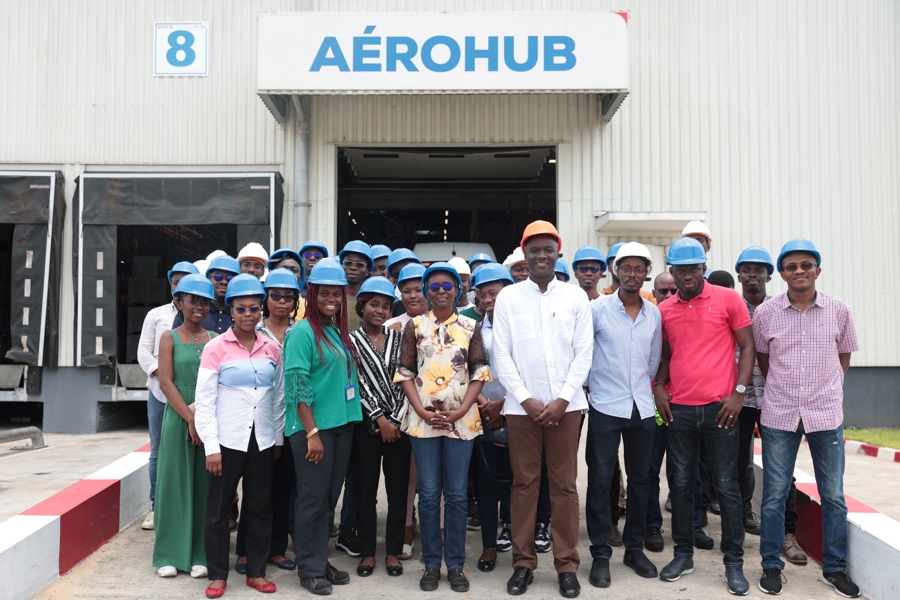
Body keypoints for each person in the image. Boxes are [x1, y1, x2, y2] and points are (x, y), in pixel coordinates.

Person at [753, 239, 860, 598]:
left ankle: (835, 568)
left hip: (825, 413)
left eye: (805, 265)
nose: (798, 271)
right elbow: (765, 362)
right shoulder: (766, 314)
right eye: (791, 266)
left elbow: (843, 357)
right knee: (774, 495)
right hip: (779, 412)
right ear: (781, 274)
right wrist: (788, 391)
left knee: (832, 495)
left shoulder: (839, 311)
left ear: (817, 269)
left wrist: (825, 390)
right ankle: (771, 565)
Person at [492, 221, 592, 599]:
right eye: (534, 249)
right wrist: (526, 398)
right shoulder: (508, 298)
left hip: (567, 408)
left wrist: (563, 398)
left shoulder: (575, 298)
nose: (541, 255)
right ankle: (523, 562)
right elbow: (501, 353)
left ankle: (566, 565)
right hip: (522, 410)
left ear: (558, 253)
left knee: (565, 486)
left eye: (548, 249)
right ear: (524, 253)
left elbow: (584, 353)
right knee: (524, 485)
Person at [653, 237, 754, 596]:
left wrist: (738, 395)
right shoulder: (665, 310)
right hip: (679, 411)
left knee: (727, 486)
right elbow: (665, 357)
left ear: (703, 268)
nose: (686, 276)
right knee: (680, 485)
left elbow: (747, 347)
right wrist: (660, 386)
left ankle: (733, 562)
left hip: (721, 411)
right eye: (679, 270)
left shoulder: (728, 300)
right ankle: (683, 554)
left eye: (692, 269)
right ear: (673, 272)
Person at [394, 262, 491, 593]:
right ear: (425, 291)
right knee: (430, 493)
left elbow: (479, 372)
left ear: (458, 290)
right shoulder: (415, 327)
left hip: (461, 421)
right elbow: (405, 371)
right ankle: (431, 564)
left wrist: (463, 409)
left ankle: (457, 565)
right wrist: (420, 409)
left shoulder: (469, 325)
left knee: (457, 494)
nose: (440, 291)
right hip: (423, 421)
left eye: (447, 286)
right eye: (433, 287)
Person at [195, 274, 285, 598]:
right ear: (230, 311)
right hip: (226, 441)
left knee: (260, 507)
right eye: (241, 308)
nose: (248, 314)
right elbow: (204, 402)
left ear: (261, 310)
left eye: (253, 308)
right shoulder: (215, 349)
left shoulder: (273, 348)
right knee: (218, 510)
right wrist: (211, 448)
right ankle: (218, 574)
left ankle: (257, 572)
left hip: (262, 441)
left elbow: (278, 398)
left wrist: (277, 439)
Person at [282, 258, 361, 596]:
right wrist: (312, 432)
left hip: (341, 425)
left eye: (337, 293)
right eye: (324, 293)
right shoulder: (302, 331)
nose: (332, 298)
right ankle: (309, 568)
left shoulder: (334, 331)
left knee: (329, 498)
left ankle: (319, 559)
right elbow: (297, 384)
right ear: (311, 295)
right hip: (314, 429)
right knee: (312, 498)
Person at [585, 243, 662, 588]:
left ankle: (634, 548)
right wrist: (590, 390)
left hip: (641, 407)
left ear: (646, 272)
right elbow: (583, 355)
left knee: (642, 479)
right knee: (601, 480)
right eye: (626, 268)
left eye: (639, 269)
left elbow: (653, 360)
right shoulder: (597, 309)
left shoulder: (653, 313)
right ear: (615, 271)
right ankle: (601, 553)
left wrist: (642, 391)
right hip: (604, 404)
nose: (633, 275)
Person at [733, 248, 806, 563]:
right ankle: (739, 520)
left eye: (759, 270)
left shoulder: (782, 309)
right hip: (738, 400)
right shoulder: (730, 307)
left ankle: (788, 535)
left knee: (782, 471)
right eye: (746, 270)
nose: (752, 275)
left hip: (778, 401)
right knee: (734, 465)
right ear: (739, 274)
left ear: (769, 275)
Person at [234, 268, 300, 575]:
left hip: (294, 421)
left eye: (288, 296)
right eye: (275, 296)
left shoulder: (302, 332)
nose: (282, 302)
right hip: (257, 421)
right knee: (256, 489)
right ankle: (246, 551)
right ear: (266, 298)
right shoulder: (252, 330)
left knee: (284, 488)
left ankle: (275, 549)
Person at [152, 274, 217, 579]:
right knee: (174, 485)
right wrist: (192, 419)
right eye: (193, 300)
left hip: (207, 418)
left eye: (204, 301)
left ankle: (199, 554)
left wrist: (203, 419)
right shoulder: (169, 336)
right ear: (179, 302)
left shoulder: (215, 338)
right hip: (179, 418)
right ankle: (169, 554)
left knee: (205, 487)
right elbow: (165, 381)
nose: (199, 307)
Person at [349, 277, 411, 578]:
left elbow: (407, 378)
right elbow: (356, 384)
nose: (380, 310)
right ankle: (368, 552)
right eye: (374, 304)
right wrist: (380, 419)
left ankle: (392, 552)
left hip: (399, 426)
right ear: (361, 306)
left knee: (398, 492)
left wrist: (395, 420)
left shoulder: (400, 339)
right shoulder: (350, 342)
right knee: (365, 491)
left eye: (386, 306)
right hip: (367, 426)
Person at [138, 260, 199, 530]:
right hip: (161, 395)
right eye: (176, 281)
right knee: (159, 451)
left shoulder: (200, 315)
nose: (180, 285)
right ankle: (156, 506)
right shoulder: (156, 315)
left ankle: (187, 506)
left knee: (190, 449)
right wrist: (163, 375)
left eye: (186, 281)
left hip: (192, 395)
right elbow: (143, 351)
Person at [470, 263, 516, 573]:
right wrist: (487, 403)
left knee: (517, 483)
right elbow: (467, 370)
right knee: (485, 484)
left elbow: (532, 371)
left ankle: (514, 536)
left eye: (494, 293)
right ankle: (488, 546)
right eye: (483, 294)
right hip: (480, 411)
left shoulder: (523, 327)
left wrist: (503, 403)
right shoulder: (472, 329)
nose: (488, 299)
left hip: (516, 411)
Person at [383, 262, 428, 559]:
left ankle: (436, 532)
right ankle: (406, 530)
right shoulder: (391, 325)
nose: (412, 296)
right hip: (404, 411)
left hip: (439, 411)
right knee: (408, 476)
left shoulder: (444, 320)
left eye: (417, 290)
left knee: (434, 477)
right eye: (406, 290)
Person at [644, 272, 679, 554]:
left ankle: (688, 526)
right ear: (652, 293)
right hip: (650, 407)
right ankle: (652, 526)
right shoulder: (648, 319)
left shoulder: (688, 315)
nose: (667, 297)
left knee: (685, 472)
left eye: (672, 291)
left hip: (684, 405)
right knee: (649, 470)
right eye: (662, 292)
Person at [174, 255, 240, 335]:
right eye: (218, 277)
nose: (224, 282)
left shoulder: (241, 312)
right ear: (208, 279)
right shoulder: (193, 311)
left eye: (230, 279)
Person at [339, 240, 373, 333]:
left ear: (367, 271)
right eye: (348, 263)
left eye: (359, 264)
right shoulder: (332, 299)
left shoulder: (373, 301)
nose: (353, 267)